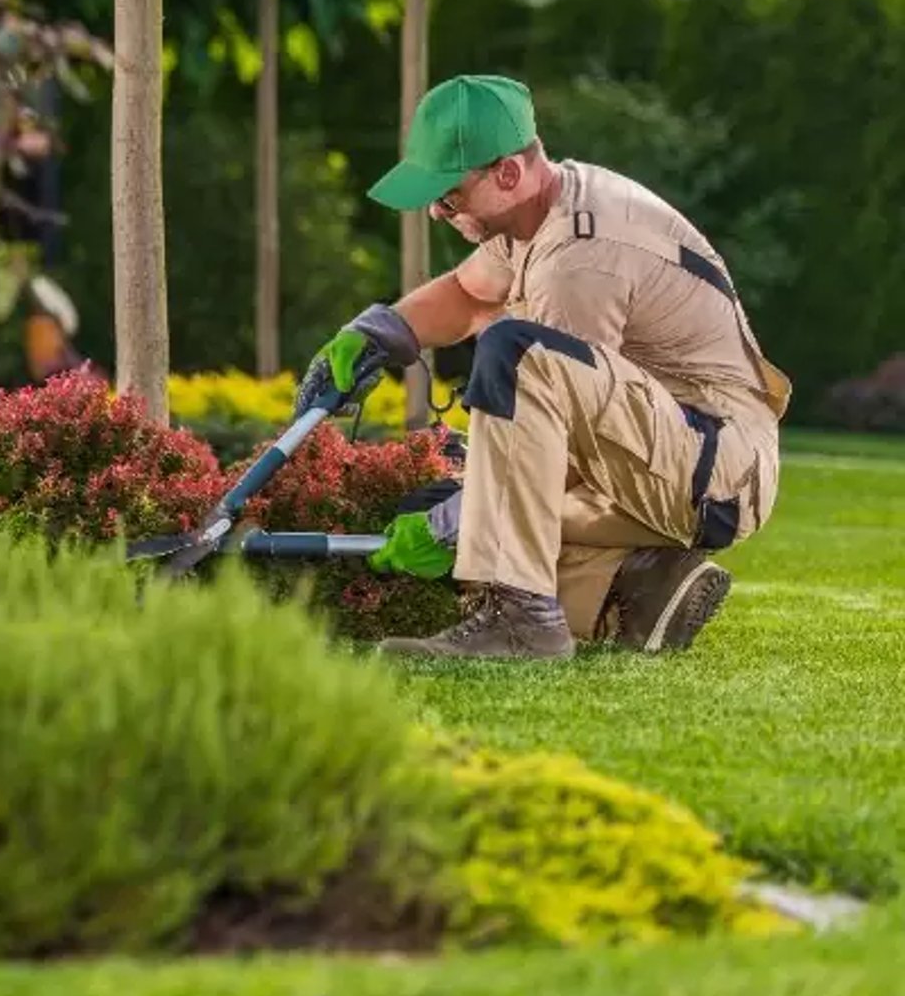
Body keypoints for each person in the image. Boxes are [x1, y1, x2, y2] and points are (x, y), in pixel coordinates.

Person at [295, 75, 791, 660]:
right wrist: (378, 332)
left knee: (513, 372)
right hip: (662, 449)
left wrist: (451, 526)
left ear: (507, 173)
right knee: (461, 497)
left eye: (449, 195)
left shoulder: (578, 263)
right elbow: (468, 293)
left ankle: (523, 620)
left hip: (713, 467)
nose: (436, 211)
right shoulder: (536, 211)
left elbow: (562, 439)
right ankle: (639, 586)